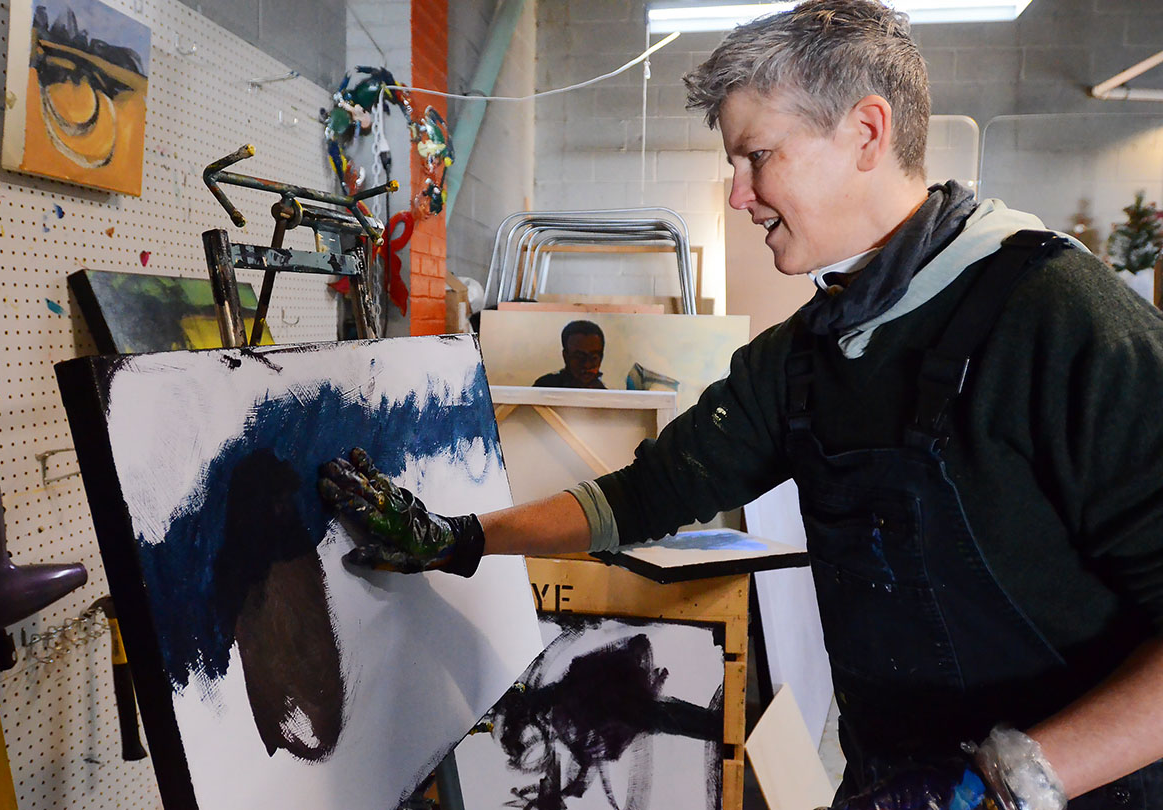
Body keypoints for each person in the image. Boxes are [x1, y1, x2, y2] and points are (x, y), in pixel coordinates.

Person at [317, 2, 1163, 808]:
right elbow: (640, 497)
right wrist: (460, 538)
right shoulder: (803, 360)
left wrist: (1006, 785)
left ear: (866, 133)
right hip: (887, 782)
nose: (737, 195)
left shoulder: (1058, 318)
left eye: (757, 156)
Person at [532, 320, 608, 389]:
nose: (587, 364)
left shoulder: (606, 395)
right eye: (579, 357)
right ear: (565, 356)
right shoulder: (545, 388)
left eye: (594, 358)